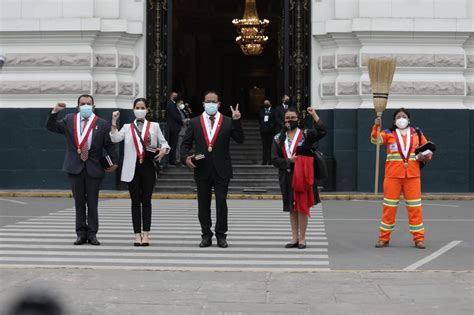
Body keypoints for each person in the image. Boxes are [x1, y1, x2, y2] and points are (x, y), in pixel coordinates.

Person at [46, 94, 118, 246]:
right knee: (79, 203)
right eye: (83, 103)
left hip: (94, 168)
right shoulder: (69, 119)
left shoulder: (102, 123)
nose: (86, 106)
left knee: (92, 203)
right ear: (78, 106)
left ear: (93, 106)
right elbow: (51, 127)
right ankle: (80, 234)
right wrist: (55, 112)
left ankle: (92, 234)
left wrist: (115, 162)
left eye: (89, 103)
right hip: (74, 167)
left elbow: (109, 145)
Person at [181, 90, 244, 248]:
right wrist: (186, 158)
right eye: (207, 101)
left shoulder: (228, 121)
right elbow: (185, 145)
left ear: (219, 104)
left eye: (213, 102)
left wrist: (237, 121)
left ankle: (221, 235)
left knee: (221, 204)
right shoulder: (195, 122)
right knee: (203, 204)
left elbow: (240, 139)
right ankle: (206, 235)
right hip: (202, 169)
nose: (210, 104)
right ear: (203, 103)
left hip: (222, 169)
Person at [110, 98, 170, 246]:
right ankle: (136, 234)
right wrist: (113, 121)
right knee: (135, 202)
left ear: (147, 109)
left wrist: (163, 151)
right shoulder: (126, 127)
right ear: (133, 109)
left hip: (148, 167)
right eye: (137, 107)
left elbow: (165, 144)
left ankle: (146, 234)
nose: (140, 109)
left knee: (147, 201)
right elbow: (115, 138)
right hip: (132, 168)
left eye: (142, 107)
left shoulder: (154, 126)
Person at [371, 108, 433, 249]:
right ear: (394, 120)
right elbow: (376, 140)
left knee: (415, 208)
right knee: (389, 208)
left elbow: (427, 150)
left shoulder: (417, 132)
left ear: (409, 119)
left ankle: (419, 239)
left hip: (412, 176)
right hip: (392, 177)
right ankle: (383, 238)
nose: (401, 118)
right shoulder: (388, 133)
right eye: (398, 117)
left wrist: (426, 156)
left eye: (404, 116)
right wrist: (376, 126)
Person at [271, 107, 326, 249]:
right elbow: (274, 159)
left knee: (302, 207)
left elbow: (322, 131)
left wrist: (314, 115)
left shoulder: (305, 134)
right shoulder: (278, 138)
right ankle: (294, 238)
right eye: (287, 118)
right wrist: (289, 161)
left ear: (298, 119)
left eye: (293, 118)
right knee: (292, 208)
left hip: (303, 176)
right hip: (287, 176)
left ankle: (302, 238)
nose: (290, 120)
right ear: (284, 120)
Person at [166, 91, 182, 165]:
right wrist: (181, 121)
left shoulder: (173, 104)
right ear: (172, 96)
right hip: (173, 127)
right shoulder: (171, 104)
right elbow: (175, 116)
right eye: (175, 96)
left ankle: (172, 160)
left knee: (174, 144)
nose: (176, 97)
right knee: (173, 144)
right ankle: (172, 160)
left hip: (175, 127)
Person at [258, 99, 275, 165]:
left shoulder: (273, 111)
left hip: (271, 131)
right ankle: (264, 161)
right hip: (263, 131)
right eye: (265, 103)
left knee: (270, 147)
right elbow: (259, 119)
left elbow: (274, 119)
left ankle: (270, 161)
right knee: (264, 147)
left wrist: (271, 125)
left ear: (270, 104)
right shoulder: (261, 111)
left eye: (267, 103)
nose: (266, 104)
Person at [176, 99, 192, 164]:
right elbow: (179, 120)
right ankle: (178, 159)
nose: (182, 104)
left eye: (183, 103)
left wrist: (189, 111)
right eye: (181, 103)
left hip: (185, 130)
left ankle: (183, 159)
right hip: (180, 130)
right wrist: (186, 120)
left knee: (183, 146)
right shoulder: (177, 111)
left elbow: (188, 115)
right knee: (179, 146)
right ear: (177, 104)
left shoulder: (183, 111)